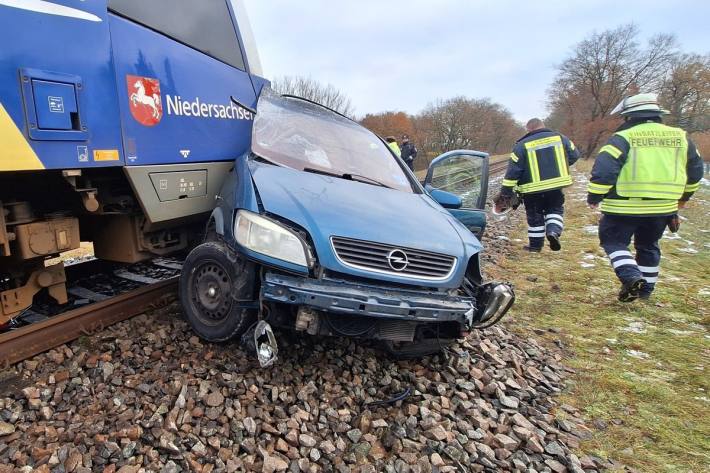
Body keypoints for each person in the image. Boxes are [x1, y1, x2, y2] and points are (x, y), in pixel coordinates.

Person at [587, 93, 703, 302]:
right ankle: (644, 292)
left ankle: (630, 276)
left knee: (613, 241)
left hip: (623, 205)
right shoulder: (681, 137)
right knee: (649, 246)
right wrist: (684, 197)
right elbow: (695, 171)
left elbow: (604, 170)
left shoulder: (623, 138)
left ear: (628, 116)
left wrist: (595, 195)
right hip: (663, 207)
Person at [495, 118, 580, 252]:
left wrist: (505, 193)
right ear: (542, 126)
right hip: (555, 185)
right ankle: (553, 232)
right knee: (555, 209)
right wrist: (558, 166)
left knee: (535, 216)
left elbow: (513, 172)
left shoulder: (521, 145)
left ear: (528, 129)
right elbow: (575, 155)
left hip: (531, 189)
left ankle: (535, 246)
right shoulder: (560, 138)